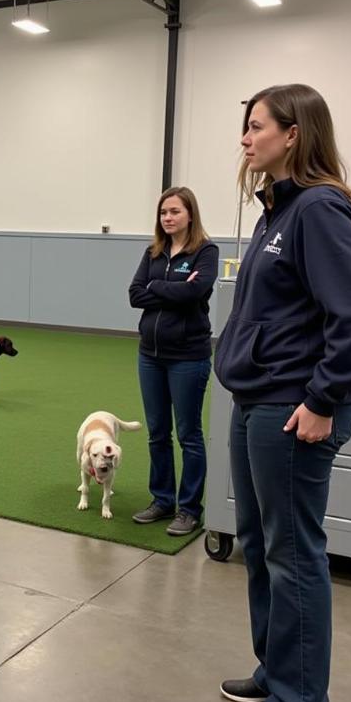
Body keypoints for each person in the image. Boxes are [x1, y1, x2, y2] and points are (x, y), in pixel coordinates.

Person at [214, 83, 351, 702]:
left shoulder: (320, 210)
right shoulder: (275, 214)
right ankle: (278, 670)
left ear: (293, 134)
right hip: (257, 402)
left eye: (256, 126)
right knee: (259, 545)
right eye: (246, 127)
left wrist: (321, 398)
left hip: (293, 410)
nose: (246, 139)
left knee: (293, 554)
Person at [128, 187, 219, 536]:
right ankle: (162, 500)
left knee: (189, 434)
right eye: (163, 212)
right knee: (157, 433)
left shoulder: (205, 251)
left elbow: (197, 292)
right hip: (149, 356)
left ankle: (189, 509)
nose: (168, 217)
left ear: (190, 215)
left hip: (188, 357)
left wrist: (157, 287)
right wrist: (171, 287)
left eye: (175, 211)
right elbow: (135, 294)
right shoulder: (153, 252)